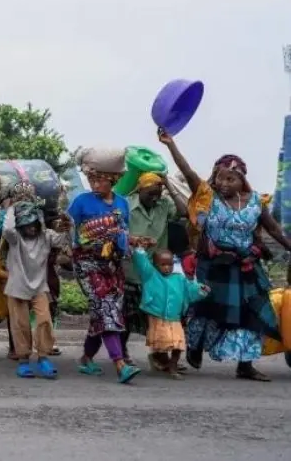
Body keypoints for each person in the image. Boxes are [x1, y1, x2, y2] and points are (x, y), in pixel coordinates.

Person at [160, 129, 291, 381]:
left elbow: (274, 229)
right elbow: (188, 173)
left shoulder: (255, 202)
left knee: (252, 312)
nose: (224, 183)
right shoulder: (208, 198)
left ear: (242, 180)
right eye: (220, 178)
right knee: (205, 309)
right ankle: (195, 347)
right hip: (214, 265)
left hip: (245, 266)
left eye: (231, 179)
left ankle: (245, 365)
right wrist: (170, 144)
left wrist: (289, 246)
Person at [68, 165, 141, 384]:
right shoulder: (81, 202)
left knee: (103, 312)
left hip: (113, 265)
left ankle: (86, 358)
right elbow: (68, 229)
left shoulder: (122, 203)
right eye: (91, 180)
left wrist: (135, 241)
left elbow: (124, 233)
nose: (95, 184)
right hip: (87, 264)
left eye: (99, 180)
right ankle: (120, 365)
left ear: (112, 180)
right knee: (107, 309)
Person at [121, 172, 187, 367]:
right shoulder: (126, 205)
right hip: (131, 268)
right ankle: (122, 352)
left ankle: (159, 354)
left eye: (158, 193)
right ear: (139, 189)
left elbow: (183, 211)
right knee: (128, 315)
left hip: (157, 271)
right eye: (150, 193)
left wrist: (168, 185)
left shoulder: (164, 204)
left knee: (160, 316)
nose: (155, 197)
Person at [2, 200, 70, 379]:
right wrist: (11, 208)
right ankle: (23, 361)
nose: (31, 228)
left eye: (34, 224)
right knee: (20, 324)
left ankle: (43, 357)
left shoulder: (46, 236)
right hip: (17, 287)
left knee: (44, 320)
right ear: (21, 225)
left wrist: (68, 225)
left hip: (39, 287)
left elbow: (63, 239)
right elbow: (7, 229)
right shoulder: (15, 238)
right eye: (27, 225)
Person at [131, 242, 210, 379]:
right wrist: (140, 250)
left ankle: (172, 366)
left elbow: (190, 289)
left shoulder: (179, 278)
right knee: (161, 343)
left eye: (170, 264)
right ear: (155, 265)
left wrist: (200, 290)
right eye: (163, 264)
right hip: (157, 315)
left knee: (178, 343)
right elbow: (142, 264)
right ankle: (159, 359)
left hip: (174, 317)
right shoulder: (151, 275)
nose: (167, 267)